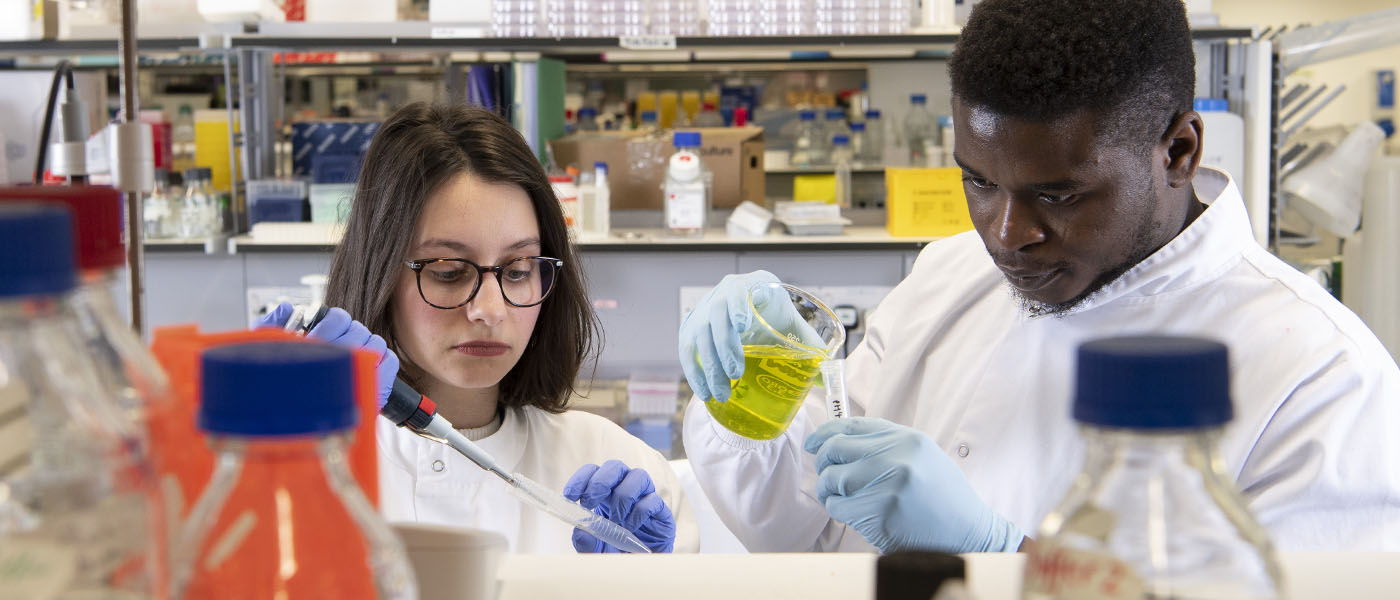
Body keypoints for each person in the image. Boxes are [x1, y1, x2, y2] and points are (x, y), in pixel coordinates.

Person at [679, 0, 1400, 555]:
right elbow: (807, 529)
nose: (1006, 234)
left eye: (1058, 195)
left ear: (1177, 150)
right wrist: (748, 399)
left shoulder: (1322, 376)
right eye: (979, 181)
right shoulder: (950, 273)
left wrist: (1000, 555)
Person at [261, 103, 697, 554]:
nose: (489, 310)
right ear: (380, 273)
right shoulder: (312, 461)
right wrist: (256, 465)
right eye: (449, 271)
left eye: (518, 269)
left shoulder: (614, 474)